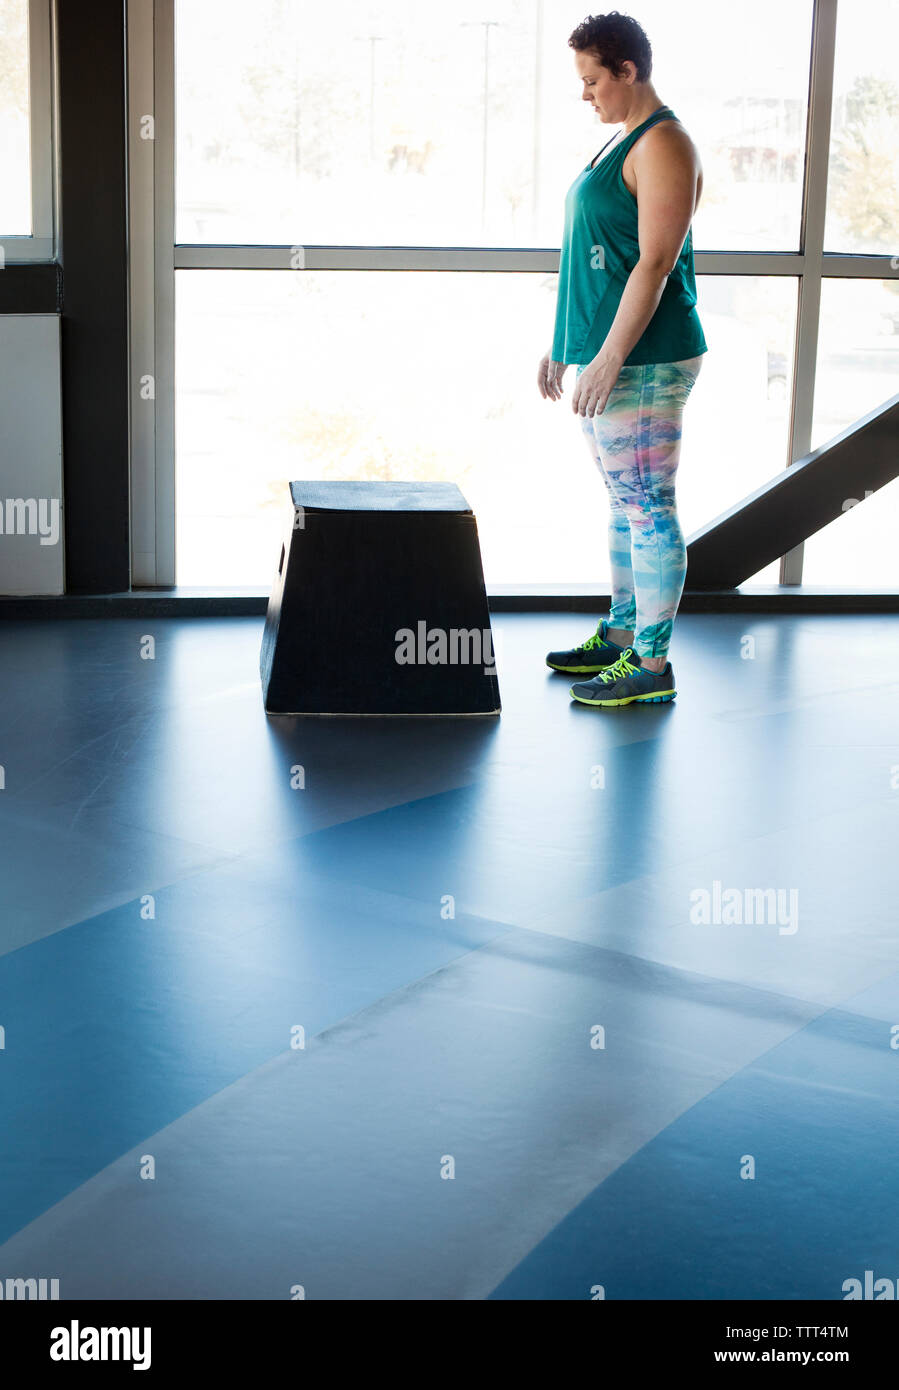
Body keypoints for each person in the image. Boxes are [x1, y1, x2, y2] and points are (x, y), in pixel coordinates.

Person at [538, 11, 707, 708]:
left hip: (646, 359)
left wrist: (608, 358)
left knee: (647, 506)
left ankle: (651, 666)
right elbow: (593, 262)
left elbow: (655, 264)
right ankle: (620, 633)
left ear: (627, 70)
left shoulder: (663, 143)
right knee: (624, 503)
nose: (585, 94)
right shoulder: (621, 143)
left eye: (591, 80)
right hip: (612, 356)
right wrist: (562, 345)